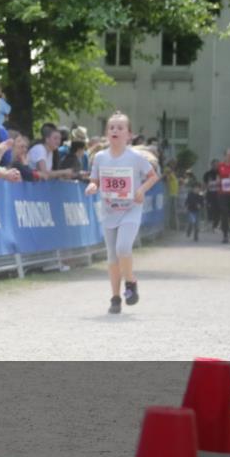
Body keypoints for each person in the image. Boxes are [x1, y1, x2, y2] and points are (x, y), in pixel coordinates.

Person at [85, 111, 160, 314]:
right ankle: (115, 298)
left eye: (120, 128)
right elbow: (95, 180)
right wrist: (92, 187)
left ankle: (131, 281)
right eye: (111, 128)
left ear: (129, 134)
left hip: (130, 209)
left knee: (123, 248)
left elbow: (153, 176)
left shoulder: (135, 157)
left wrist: (141, 190)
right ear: (106, 133)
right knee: (112, 257)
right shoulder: (100, 157)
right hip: (109, 210)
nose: (115, 131)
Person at [202, 159, 220, 232]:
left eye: (217, 165)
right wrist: (206, 187)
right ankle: (210, 226)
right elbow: (204, 185)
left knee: (218, 210)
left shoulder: (221, 173)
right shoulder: (207, 174)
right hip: (210, 194)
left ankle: (216, 226)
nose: (216, 166)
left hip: (219, 195)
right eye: (214, 165)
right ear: (211, 165)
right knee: (210, 210)